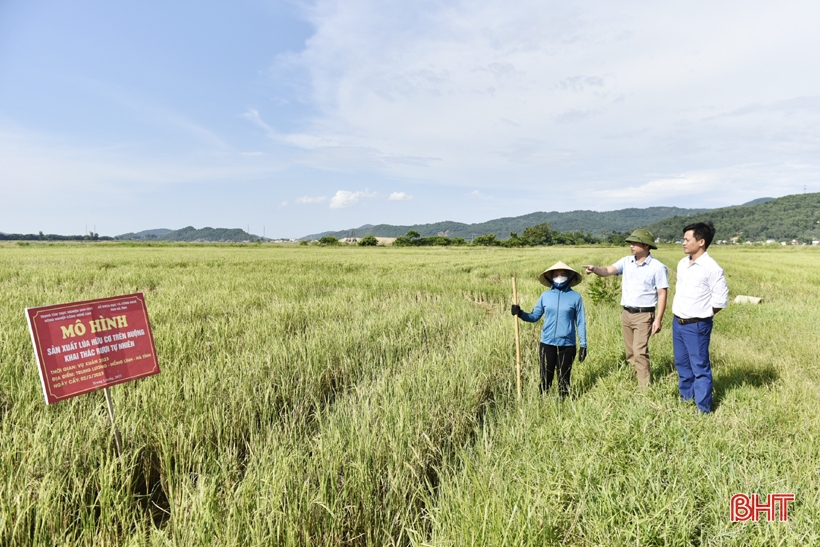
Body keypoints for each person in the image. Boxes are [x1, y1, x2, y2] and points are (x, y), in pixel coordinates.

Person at [583, 228, 669, 387]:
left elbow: (662, 293)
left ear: (646, 246)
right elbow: (608, 270)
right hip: (626, 313)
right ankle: (635, 379)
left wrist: (658, 319)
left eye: (635, 243)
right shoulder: (626, 262)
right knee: (630, 353)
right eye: (631, 243)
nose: (631, 246)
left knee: (640, 352)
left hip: (644, 315)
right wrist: (595, 269)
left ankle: (644, 389)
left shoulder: (657, 267)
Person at [672, 221, 729, 413]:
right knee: (682, 364)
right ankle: (686, 398)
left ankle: (703, 408)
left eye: (687, 239)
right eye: (684, 239)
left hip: (696, 325)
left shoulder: (712, 268)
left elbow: (720, 301)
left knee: (700, 368)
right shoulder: (682, 263)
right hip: (678, 322)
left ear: (701, 242)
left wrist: (701, 315)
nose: (684, 243)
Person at [511, 261, 587, 398]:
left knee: (564, 380)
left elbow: (581, 322)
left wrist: (583, 345)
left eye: (563, 274)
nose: (559, 277)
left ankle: (562, 408)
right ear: (550, 278)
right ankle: (543, 403)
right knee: (546, 378)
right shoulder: (545, 296)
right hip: (547, 344)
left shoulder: (576, 297)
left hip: (567, 345)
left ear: (569, 276)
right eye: (556, 274)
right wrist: (520, 313)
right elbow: (534, 316)